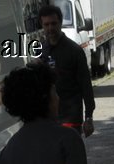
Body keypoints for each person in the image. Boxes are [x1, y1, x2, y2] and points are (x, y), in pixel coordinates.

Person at [38, 4, 95, 136]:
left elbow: (86, 86)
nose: (50, 28)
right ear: (42, 25)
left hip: (70, 118)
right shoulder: (41, 50)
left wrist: (89, 117)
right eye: (46, 24)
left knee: (70, 156)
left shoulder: (74, 51)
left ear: (60, 22)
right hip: (48, 119)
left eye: (53, 23)